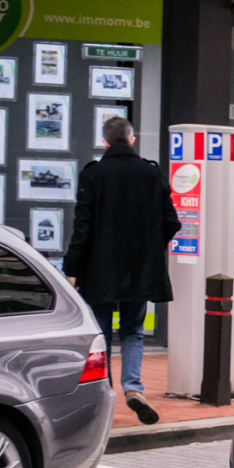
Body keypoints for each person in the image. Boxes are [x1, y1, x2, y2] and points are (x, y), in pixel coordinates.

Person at [63, 117, 180, 425]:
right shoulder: (151, 173)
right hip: (140, 269)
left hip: (98, 270)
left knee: (100, 334)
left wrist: (71, 268)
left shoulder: (94, 174)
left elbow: (82, 227)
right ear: (131, 140)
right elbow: (172, 222)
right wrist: (152, 248)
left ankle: (104, 391)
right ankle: (133, 387)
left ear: (105, 142)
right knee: (133, 331)